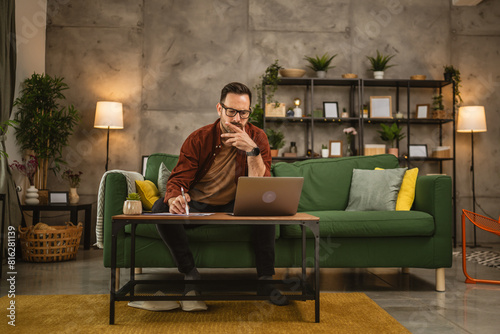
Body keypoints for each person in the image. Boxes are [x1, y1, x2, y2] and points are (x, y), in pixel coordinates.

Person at [151, 82, 288, 310]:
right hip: (198, 203)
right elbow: (177, 180)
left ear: (249, 113)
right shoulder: (199, 139)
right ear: (219, 109)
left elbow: (261, 187)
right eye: (231, 111)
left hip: (237, 204)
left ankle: (265, 281)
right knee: (159, 209)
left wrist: (252, 151)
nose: (237, 119)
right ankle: (190, 275)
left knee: (266, 207)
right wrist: (176, 197)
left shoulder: (258, 138)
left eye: (243, 113)